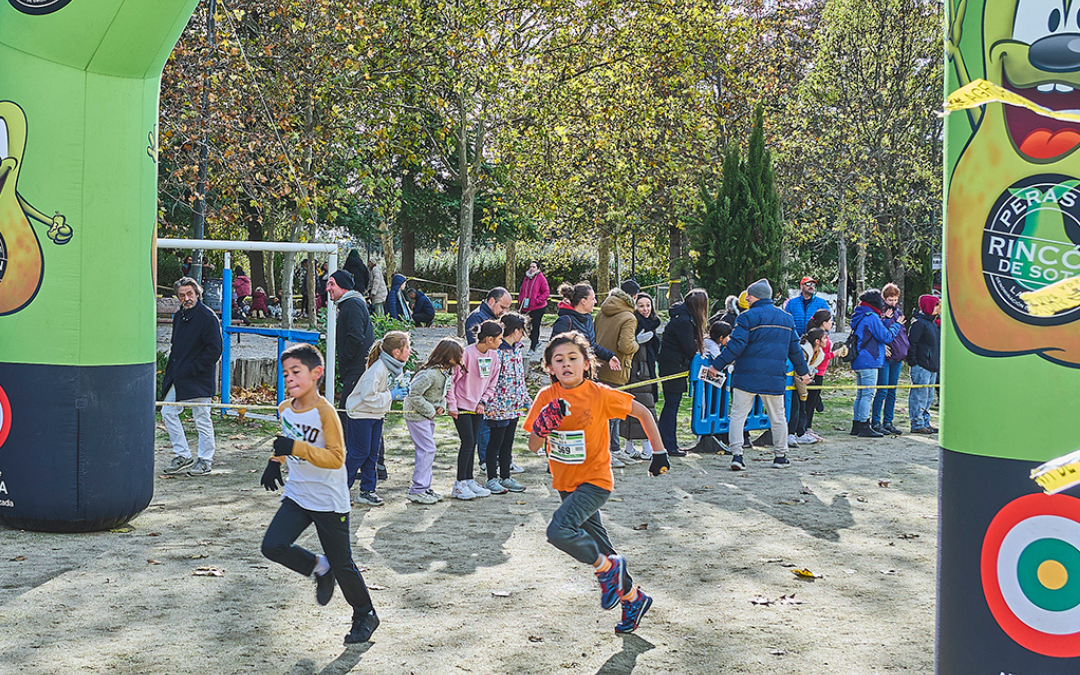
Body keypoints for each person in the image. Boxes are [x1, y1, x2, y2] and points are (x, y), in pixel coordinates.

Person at [524, 332, 670, 635]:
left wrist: (659, 452)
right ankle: (633, 599)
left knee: (559, 531)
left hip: (595, 482)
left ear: (587, 363)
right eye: (559, 360)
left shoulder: (599, 394)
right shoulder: (545, 397)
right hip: (565, 484)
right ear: (549, 367)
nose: (566, 365)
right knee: (603, 548)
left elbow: (642, 411)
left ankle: (606, 569)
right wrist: (542, 426)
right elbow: (534, 446)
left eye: (573, 358)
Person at [259, 343, 380, 646]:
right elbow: (288, 442)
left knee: (344, 563)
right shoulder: (285, 408)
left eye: (296, 372)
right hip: (299, 493)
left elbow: (337, 458)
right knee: (272, 546)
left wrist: (294, 449)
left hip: (328, 499)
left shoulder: (326, 412)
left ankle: (365, 614)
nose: (289, 379)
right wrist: (275, 462)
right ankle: (318, 567)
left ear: (316, 374)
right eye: (285, 374)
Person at [709, 279, 812, 471]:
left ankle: (737, 455)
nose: (746, 297)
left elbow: (735, 346)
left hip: (746, 376)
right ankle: (780, 456)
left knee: (738, 415)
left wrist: (717, 366)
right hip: (774, 377)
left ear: (757, 296)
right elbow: (795, 351)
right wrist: (804, 372)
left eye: (749, 294)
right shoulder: (787, 318)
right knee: (778, 417)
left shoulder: (746, 317)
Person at [160, 277, 223, 476]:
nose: (186, 298)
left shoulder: (207, 317)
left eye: (189, 294)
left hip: (198, 376)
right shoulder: (179, 316)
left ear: (197, 294)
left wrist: (194, 368)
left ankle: (205, 459)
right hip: (179, 375)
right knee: (167, 412)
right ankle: (183, 454)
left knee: (202, 417)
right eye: (182, 295)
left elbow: (214, 350)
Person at [345, 331, 411, 506]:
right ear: (396, 352)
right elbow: (368, 396)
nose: (410, 351)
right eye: (407, 348)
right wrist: (392, 394)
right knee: (359, 453)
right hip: (360, 415)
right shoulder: (378, 368)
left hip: (375, 415)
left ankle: (367, 491)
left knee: (372, 454)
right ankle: (339, 490)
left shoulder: (392, 368)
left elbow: (384, 392)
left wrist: (399, 390)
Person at [403, 337, 464, 504]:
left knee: (428, 450)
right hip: (416, 415)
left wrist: (441, 406)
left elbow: (444, 391)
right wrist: (430, 409)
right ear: (448, 356)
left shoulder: (445, 373)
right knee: (427, 449)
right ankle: (417, 489)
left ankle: (425, 487)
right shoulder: (429, 374)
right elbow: (413, 394)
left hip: (427, 416)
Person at [447, 320, 504, 500]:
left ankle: (469, 479)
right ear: (488, 339)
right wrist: (452, 405)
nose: (501, 342)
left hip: (477, 407)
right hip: (462, 406)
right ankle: (459, 483)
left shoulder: (494, 356)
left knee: (473, 444)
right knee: (468, 442)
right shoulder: (466, 354)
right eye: (499, 339)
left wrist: (483, 401)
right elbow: (452, 382)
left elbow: (492, 382)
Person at [482, 313, 532, 494]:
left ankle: (506, 476)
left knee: (508, 443)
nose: (523, 335)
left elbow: (520, 379)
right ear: (516, 331)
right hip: (497, 406)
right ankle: (491, 478)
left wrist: (526, 400)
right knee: (495, 442)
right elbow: (489, 380)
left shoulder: (518, 350)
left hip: (514, 406)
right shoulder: (496, 352)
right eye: (522, 331)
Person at [656, 288, 709, 457]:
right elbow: (689, 348)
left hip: (674, 365)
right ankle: (669, 444)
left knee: (671, 405)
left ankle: (667, 442)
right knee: (671, 405)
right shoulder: (684, 321)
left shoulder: (684, 318)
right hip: (674, 366)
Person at [848, 289, 905, 438]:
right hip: (869, 359)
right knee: (867, 394)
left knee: (861, 394)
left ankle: (857, 424)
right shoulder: (871, 316)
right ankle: (864, 425)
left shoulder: (860, 315)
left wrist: (884, 319)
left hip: (860, 359)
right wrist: (896, 325)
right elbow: (885, 336)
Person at [594, 287, 640, 466]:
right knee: (612, 412)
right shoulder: (629, 317)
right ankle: (609, 451)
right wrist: (637, 344)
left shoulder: (601, 313)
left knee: (607, 410)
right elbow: (626, 346)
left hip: (599, 365)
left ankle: (614, 448)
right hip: (617, 367)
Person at [620, 292, 661, 460]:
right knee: (640, 410)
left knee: (641, 409)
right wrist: (637, 341)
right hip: (636, 372)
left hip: (647, 371)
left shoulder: (652, 324)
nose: (645, 309)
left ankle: (632, 447)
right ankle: (645, 447)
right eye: (641, 305)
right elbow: (627, 347)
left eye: (648, 305)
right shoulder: (632, 322)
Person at [551, 282, 620, 373]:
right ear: (583, 301)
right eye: (593, 299)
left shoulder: (588, 319)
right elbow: (554, 350)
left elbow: (590, 345)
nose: (595, 302)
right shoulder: (565, 321)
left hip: (587, 371)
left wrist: (609, 356)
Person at [870, 283, 909, 436]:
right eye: (890, 299)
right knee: (882, 390)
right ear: (884, 298)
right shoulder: (879, 314)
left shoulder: (898, 313)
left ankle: (888, 421)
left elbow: (901, 333)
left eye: (895, 300)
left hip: (897, 355)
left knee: (892, 391)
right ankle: (876, 421)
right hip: (885, 357)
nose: (893, 303)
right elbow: (879, 332)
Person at [802, 309, 846, 441]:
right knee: (809, 402)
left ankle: (807, 427)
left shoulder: (820, 335)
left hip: (820, 371)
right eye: (830, 321)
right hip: (816, 372)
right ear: (824, 322)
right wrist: (836, 354)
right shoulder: (819, 338)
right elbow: (821, 357)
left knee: (812, 401)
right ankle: (805, 428)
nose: (832, 323)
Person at [691, 320, 733, 455]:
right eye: (727, 336)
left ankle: (707, 433)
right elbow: (719, 359)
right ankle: (702, 434)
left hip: (706, 380)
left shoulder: (708, 341)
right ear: (721, 338)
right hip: (702, 380)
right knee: (703, 405)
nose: (729, 339)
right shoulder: (711, 344)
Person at [906, 295, 941, 434]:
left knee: (928, 396)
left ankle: (926, 421)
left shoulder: (932, 323)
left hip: (932, 366)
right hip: (922, 365)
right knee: (919, 395)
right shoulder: (919, 323)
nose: (938, 308)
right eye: (936, 305)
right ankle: (917, 423)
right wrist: (913, 361)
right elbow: (912, 343)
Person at [518, 261, 551, 355]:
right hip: (526, 306)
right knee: (524, 326)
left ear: (538, 268)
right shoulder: (526, 278)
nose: (531, 268)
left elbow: (546, 292)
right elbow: (522, 290)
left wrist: (538, 300)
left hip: (538, 307)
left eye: (534, 267)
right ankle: (532, 341)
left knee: (535, 326)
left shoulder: (541, 278)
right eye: (530, 266)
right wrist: (520, 299)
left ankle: (533, 347)